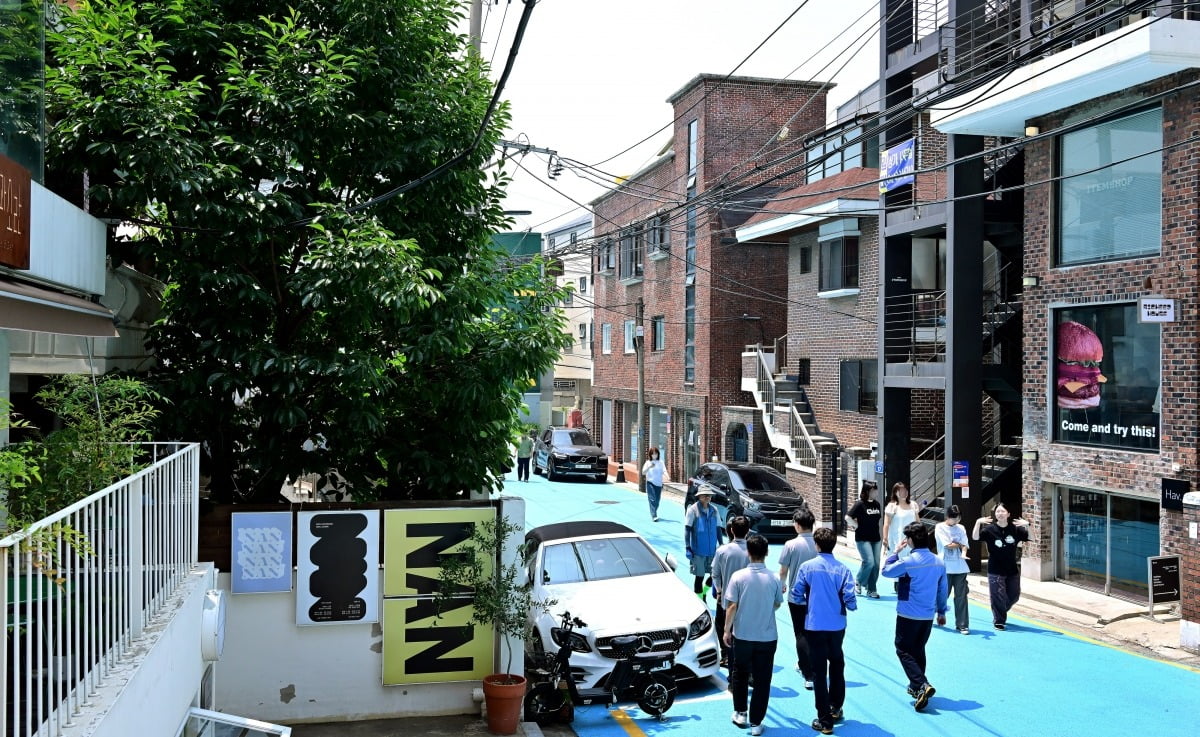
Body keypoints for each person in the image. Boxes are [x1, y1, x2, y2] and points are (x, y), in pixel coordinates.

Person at [791, 527, 857, 735]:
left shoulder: (807, 567)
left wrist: (809, 603)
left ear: (816, 545)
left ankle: (824, 720)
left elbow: (796, 593)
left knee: (820, 672)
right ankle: (835, 707)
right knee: (837, 663)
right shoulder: (843, 569)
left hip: (815, 625)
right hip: (837, 625)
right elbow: (850, 599)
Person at [881, 521, 948, 712]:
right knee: (918, 649)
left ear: (910, 540)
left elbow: (886, 571)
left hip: (908, 613)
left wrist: (894, 552)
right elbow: (942, 590)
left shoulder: (908, 562)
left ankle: (921, 684)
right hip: (927, 615)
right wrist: (941, 611)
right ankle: (917, 688)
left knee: (902, 649)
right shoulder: (938, 562)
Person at [723, 534, 782, 737]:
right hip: (767, 637)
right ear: (766, 552)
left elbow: (731, 606)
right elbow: (777, 603)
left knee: (739, 674)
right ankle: (757, 722)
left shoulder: (738, 577)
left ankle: (740, 712)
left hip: (743, 635)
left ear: (748, 552)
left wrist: (726, 630)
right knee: (763, 679)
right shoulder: (774, 577)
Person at [972, 502, 1030, 630]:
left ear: (1008, 514)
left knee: (1014, 595)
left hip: (1012, 569)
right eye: (998, 511)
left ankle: (1001, 610)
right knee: (997, 595)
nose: (1000, 514)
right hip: (995, 569)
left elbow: (1029, 538)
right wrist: (978, 522)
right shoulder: (989, 530)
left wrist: (1028, 526)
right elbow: (975, 537)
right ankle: (999, 620)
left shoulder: (1015, 529)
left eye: (1003, 511)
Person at [777, 506, 818, 688]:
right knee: (814, 632)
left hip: (797, 595)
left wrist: (781, 585)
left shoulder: (791, 545)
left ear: (798, 525)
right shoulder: (819, 543)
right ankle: (809, 665)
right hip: (817, 595)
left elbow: (783, 570)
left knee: (800, 633)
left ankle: (808, 674)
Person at [713, 515, 751, 669]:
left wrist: (720, 591)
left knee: (725, 631)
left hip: (726, 601)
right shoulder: (752, 549)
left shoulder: (722, 550)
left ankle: (728, 661)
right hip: (747, 600)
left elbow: (715, 574)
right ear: (748, 531)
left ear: (731, 530)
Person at [935, 505, 971, 634]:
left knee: (961, 596)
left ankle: (962, 624)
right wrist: (960, 544)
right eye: (954, 519)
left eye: (958, 518)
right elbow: (948, 545)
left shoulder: (961, 528)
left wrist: (961, 545)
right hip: (945, 567)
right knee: (943, 595)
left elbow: (966, 544)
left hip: (960, 567)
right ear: (947, 517)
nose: (956, 521)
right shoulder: (939, 527)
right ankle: (933, 611)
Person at [844, 481, 882, 598]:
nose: (875, 492)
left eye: (876, 490)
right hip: (862, 538)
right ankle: (858, 581)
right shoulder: (860, 504)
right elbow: (847, 517)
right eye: (873, 490)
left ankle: (871, 589)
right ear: (867, 492)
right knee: (869, 561)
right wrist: (856, 525)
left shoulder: (877, 504)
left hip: (875, 537)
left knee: (876, 565)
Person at [684, 486, 723, 601]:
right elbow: (687, 529)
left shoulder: (714, 510)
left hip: (712, 551)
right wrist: (688, 547)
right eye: (705, 495)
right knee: (699, 577)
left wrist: (721, 544)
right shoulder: (692, 510)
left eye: (709, 495)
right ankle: (701, 601)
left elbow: (718, 528)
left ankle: (704, 592)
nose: (708, 497)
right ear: (699, 496)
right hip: (698, 551)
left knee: (714, 576)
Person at [641, 446, 667, 521]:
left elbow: (664, 470)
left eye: (656, 454)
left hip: (658, 484)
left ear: (658, 454)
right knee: (652, 499)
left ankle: (654, 511)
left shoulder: (661, 462)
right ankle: (654, 515)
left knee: (657, 500)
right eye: (653, 454)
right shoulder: (648, 463)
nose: (654, 455)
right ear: (650, 455)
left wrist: (667, 476)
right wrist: (649, 467)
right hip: (650, 483)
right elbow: (643, 472)